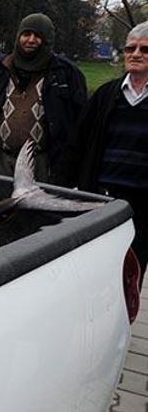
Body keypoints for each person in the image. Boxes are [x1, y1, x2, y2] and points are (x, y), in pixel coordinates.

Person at [0, 13, 87, 186]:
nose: (30, 40)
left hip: (42, 163)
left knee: (35, 212)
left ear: (48, 39)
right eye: (26, 34)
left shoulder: (66, 73)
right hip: (1, 159)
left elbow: (79, 123)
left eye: (38, 36)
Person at [77, 21, 148, 270]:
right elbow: (80, 142)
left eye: (144, 49)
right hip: (101, 198)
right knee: (94, 269)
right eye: (130, 49)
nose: (136, 54)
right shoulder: (106, 95)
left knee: (131, 272)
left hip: (142, 207)